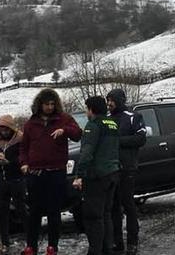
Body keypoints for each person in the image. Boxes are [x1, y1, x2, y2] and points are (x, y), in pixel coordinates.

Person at [19, 88, 82, 255]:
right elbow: (24, 147)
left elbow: (78, 134)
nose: (49, 107)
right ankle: (31, 246)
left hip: (56, 171)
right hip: (35, 173)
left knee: (54, 211)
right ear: (39, 105)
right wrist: (24, 163)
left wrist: (65, 130)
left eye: (52, 104)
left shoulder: (64, 119)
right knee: (34, 212)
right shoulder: (30, 124)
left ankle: (52, 246)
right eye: (46, 104)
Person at [73, 96, 121, 255]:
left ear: (91, 109)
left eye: (87, 109)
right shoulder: (112, 123)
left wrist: (79, 175)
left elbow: (87, 152)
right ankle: (108, 249)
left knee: (93, 217)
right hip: (113, 173)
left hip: (97, 176)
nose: (86, 112)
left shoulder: (92, 126)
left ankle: (95, 251)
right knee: (106, 214)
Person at [106, 89, 146, 255]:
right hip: (110, 169)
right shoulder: (106, 119)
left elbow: (140, 139)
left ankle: (132, 242)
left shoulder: (133, 117)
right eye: (107, 100)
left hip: (127, 168)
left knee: (128, 205)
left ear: (119, 100)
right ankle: (117, 242)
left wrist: (117, 141)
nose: (108, 104)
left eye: (111, 100)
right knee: (113, 206)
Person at [0, 114, 26, 254]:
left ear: (11, 128)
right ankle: (4, 242)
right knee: (1, 212)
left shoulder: (20, 140)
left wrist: (9, 161)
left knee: (21, 209)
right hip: (2, 180)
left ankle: (30, 240)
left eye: (6, 129)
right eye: (1, 129)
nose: (4, 132)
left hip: (17, 179)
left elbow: (23, 157)